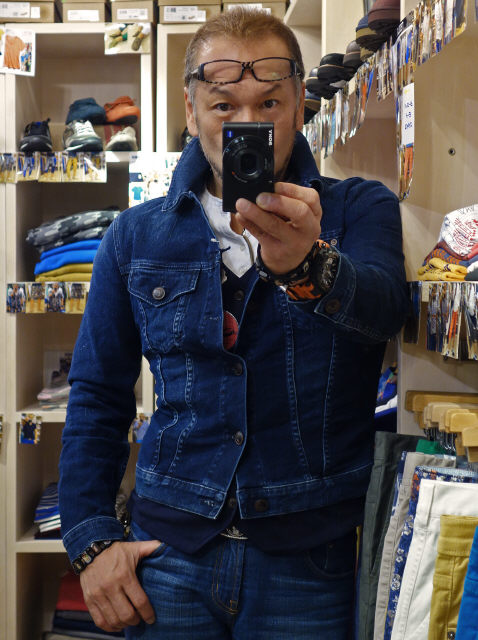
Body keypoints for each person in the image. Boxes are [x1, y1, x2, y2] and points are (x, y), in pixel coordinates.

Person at [59, 8, 409, 640]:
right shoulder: (134, 235)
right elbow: (97, 394)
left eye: (269, 102)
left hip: (311, 559)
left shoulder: (358, 209)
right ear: (191, 112)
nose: (249, 122)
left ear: (299, 106)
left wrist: (310, 266)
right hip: (168, 556)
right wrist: (90, 541)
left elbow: (384, 314)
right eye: (223, 105)